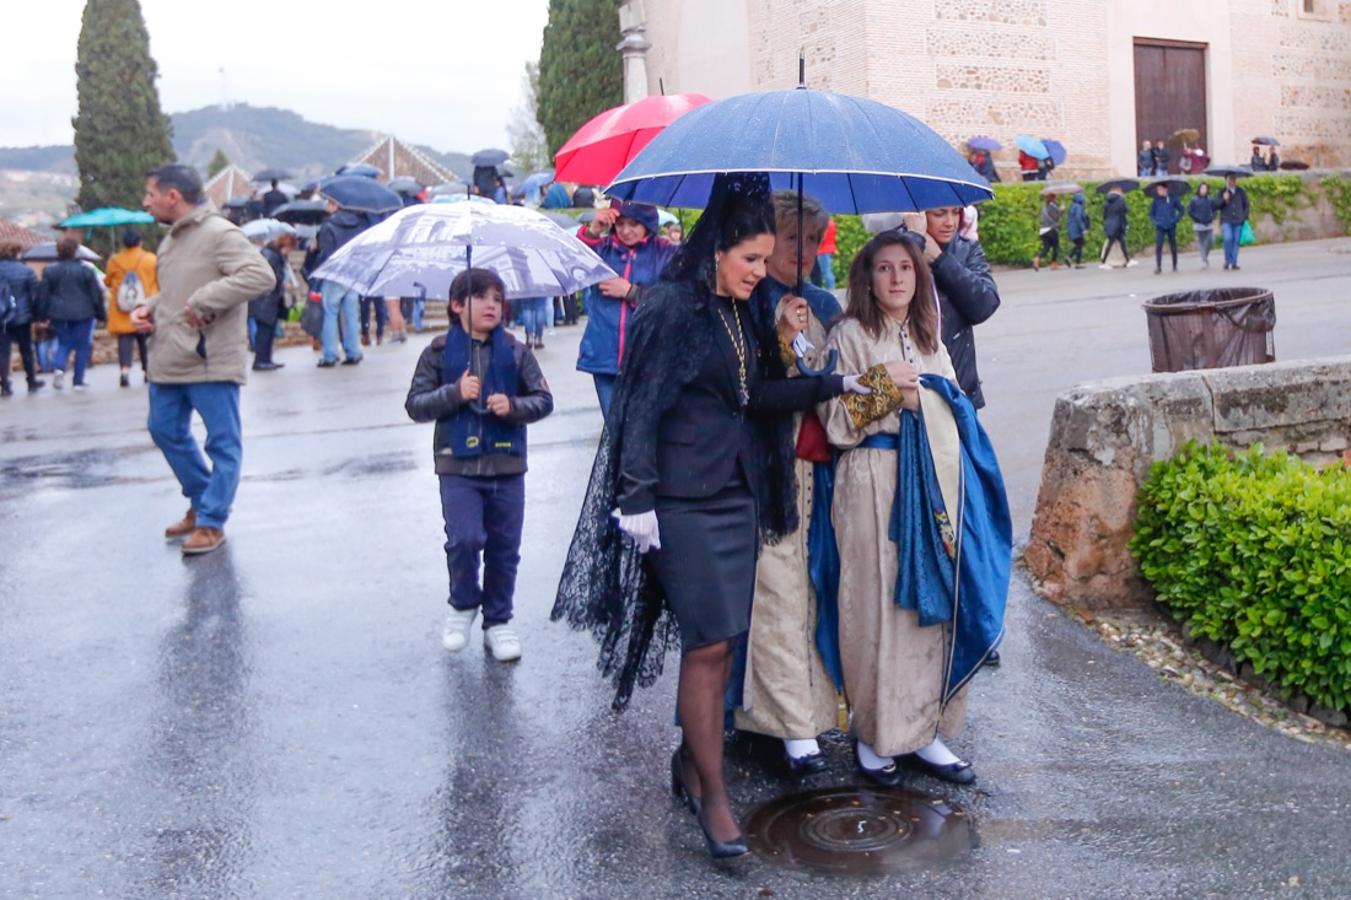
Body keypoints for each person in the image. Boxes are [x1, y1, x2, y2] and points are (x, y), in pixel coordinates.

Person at [552, 174, 865, 860]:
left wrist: (834, 381)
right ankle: (714, 798)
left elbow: (757, 398)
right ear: (718, 250)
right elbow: (639, 408)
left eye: (764, 259)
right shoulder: (670, 307)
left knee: (727, 636)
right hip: (678, 500)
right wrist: (634, 498)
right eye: (751, 259)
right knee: (708, 642)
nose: (762, 271)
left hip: (737, 494)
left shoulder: (741, 310)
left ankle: (691, 763)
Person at [818, 229, 1009, 788]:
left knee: (930, 610)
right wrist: (881, 388)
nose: (897, 277)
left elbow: (958, 410)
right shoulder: (848, 334)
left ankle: (926, 732)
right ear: (867, 277)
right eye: (884, 268)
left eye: (906, 267)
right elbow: (832, 423)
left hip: (930, 483)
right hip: (870, 482)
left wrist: (919, 396)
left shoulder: (931, 335)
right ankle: (876, 734)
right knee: (875, 605)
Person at [733, 190, 843, 776]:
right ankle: (786, 724)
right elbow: (752, 391)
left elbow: (841, 382)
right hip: (772, 465)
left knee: (817, 589)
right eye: (790, 238)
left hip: (824, 468)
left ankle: (818, 710)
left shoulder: (825, 301)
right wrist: (777, 334)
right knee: (775, 590)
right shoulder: (749, 302)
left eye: (810, 239)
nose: (801, 250)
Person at [405, 268, 553, 662]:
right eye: (481, 297)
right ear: (457, 306)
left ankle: (499, 621)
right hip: (457, 465)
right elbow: (415, 405)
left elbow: (543, 399)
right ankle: (463, 603)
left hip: (507, 464)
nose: (491, 305)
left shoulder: (516, 350)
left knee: (505, 548)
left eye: (496, 298)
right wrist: (455, 392)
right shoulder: (437, 352)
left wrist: (513, 406)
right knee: (465, 539)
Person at [130, 163, 276, 555]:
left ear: (172, 196)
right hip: (169, 354)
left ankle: (212, 521)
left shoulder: (219, 233)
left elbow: (259, 276)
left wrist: (204, 301)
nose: (146, 202)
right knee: (163, 430)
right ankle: (200, 499)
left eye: (150, 194)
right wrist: (151, 307)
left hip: (209, 357)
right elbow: (179, 292)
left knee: (223, 444)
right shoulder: (172, 240)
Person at [575, 202, 677, 416]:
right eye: (620, 224)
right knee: (613, 432)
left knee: (643, 429)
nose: (626, 231)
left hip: (648, 357)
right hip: (605, 356)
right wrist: (593, 231)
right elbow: (574, 263)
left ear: (647, 223)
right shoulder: (602, 249)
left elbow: (676, 298)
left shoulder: (666, 253)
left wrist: (631, 292)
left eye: (634, 224)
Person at [903, 206, 1001, 410]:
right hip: (909, 390)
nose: (950, 222)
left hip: (959, 389)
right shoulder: (894, 247)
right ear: (919, 214)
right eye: (939, 214)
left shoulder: (966, 249)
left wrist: (941, 260)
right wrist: (914, 242)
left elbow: (984, 305)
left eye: (955, 212)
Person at [305, 197, 369, 367]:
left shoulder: (328, 226)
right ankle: (353, 351)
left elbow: (326, 253)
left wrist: (314, 256)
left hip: (334, 274)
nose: (326, 206)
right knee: (350, 314)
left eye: (328, 202)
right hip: (353, 273)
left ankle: (330, 355)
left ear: (335, 205)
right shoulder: (358, 223)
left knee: (330, 313)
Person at [37, 237, 106, 390]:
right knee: (82, 345)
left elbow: (43, 294)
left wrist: (42, 316)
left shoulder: (50, 270)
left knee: (64, 343)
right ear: (75, 251)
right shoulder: (86, 271)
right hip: (84, 312)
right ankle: (78, 380)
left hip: (59, 312)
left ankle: (59, 368)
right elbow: (96, 294)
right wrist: (101, 313)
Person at [104, 229, 158, 387]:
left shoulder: (114, 261)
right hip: (145, 306)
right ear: (140, 242)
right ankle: (148, 372)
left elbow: (107, 282)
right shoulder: (150, 259)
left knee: (124, 341)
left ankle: (124, 372)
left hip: (123, 309)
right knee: (145, 341)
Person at [0, 241, 44, 395]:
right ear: (16, 253)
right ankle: (31, 380)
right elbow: (35, 296)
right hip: (22, 316)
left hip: (2, 317)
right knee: (26, 350)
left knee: (3, 351)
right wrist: (38, 316)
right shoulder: (26, 271)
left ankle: (5, 384)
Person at [248, 232, 295, 371]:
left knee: (268, 331)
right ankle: (261, 360)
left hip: (268, 300)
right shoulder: (271, 256)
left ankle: (266, 359)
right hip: (265, 300)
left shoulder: (274, 255)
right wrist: (282, 283)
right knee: (264, 332)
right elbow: (270, 277)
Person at [1149, 183, 1184, 274]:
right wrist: (1156, 222)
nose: (1159, 191)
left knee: (1173, 246)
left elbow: (1182, 210)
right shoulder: (1156, 201)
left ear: (1166, 189)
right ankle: (1158, 267)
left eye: (1160, 189)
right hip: (1160, 226)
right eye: (1158, 190)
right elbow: (1151, 214)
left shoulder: (1173, 198)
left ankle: (1174, 265)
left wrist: (1175, 220)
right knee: (1159, 246)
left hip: (1171, 226)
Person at [1218, 174, 1251, 271]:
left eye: (1234, 178)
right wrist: (1224, 200)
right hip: (1226, 220)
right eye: (1230, 179)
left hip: (1238, 220)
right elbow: (1216, 205)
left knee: (1236, 241)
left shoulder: (1240, 191)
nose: (1232, 181)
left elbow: (1246, 204)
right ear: (1226, 180)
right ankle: (1227, 260)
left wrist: (1244, 217)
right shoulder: (1222, 191)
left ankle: (1234, 263)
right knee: (1228, 238)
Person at [1099, 187, 1135, 268]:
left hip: (1109, 225)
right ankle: (1104, 262)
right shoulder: (1120, 201)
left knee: (1120, 242)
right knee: (1118, 243)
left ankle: (1127, 260)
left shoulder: (1107, 202)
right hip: (1117, 225)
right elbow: (1126, 210)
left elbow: (1104, 215)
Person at [1188, 182, 1217, 269]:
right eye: (1202, 188)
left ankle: (1205, 256)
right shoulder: (1194, 200)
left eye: (1205, 188)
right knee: (1201, 243)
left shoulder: (1210, 199)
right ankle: (1204, 260)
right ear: (1199, 189)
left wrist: (1212, 217)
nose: (1203, 190)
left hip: (1209, 224)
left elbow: (1215, 210)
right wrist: (1196, 218)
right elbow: (1190, 211)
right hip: (1199, 225)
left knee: (1210, 241)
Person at [1032, 193, 1061, 271]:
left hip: (1043, 230)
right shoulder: (1052, 206)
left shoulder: (1044, 207)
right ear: (1053, 198)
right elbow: (1056, 216)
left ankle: (1037, 258)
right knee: (1055, 247)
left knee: (1046, 248)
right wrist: (1062, 209)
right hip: (1051, 229)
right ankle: (1053, 264)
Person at [1064, 192, 1090, 268]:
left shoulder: (1073, 206)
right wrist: (1083, 229)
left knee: (1079, 244)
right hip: (1076, 229)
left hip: (1072, 228)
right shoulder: (1078, 207)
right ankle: (1074, 260)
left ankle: (1071, 258)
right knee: (1080, 244)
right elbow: (1078, 218)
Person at [815, 216, 838, 290]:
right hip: (829, 248)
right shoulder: (831, 222)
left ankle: (831, 289)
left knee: (826, 271)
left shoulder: (825, 224)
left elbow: (822, 237)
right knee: (827, 269)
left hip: (823, 250)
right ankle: (831, 288)